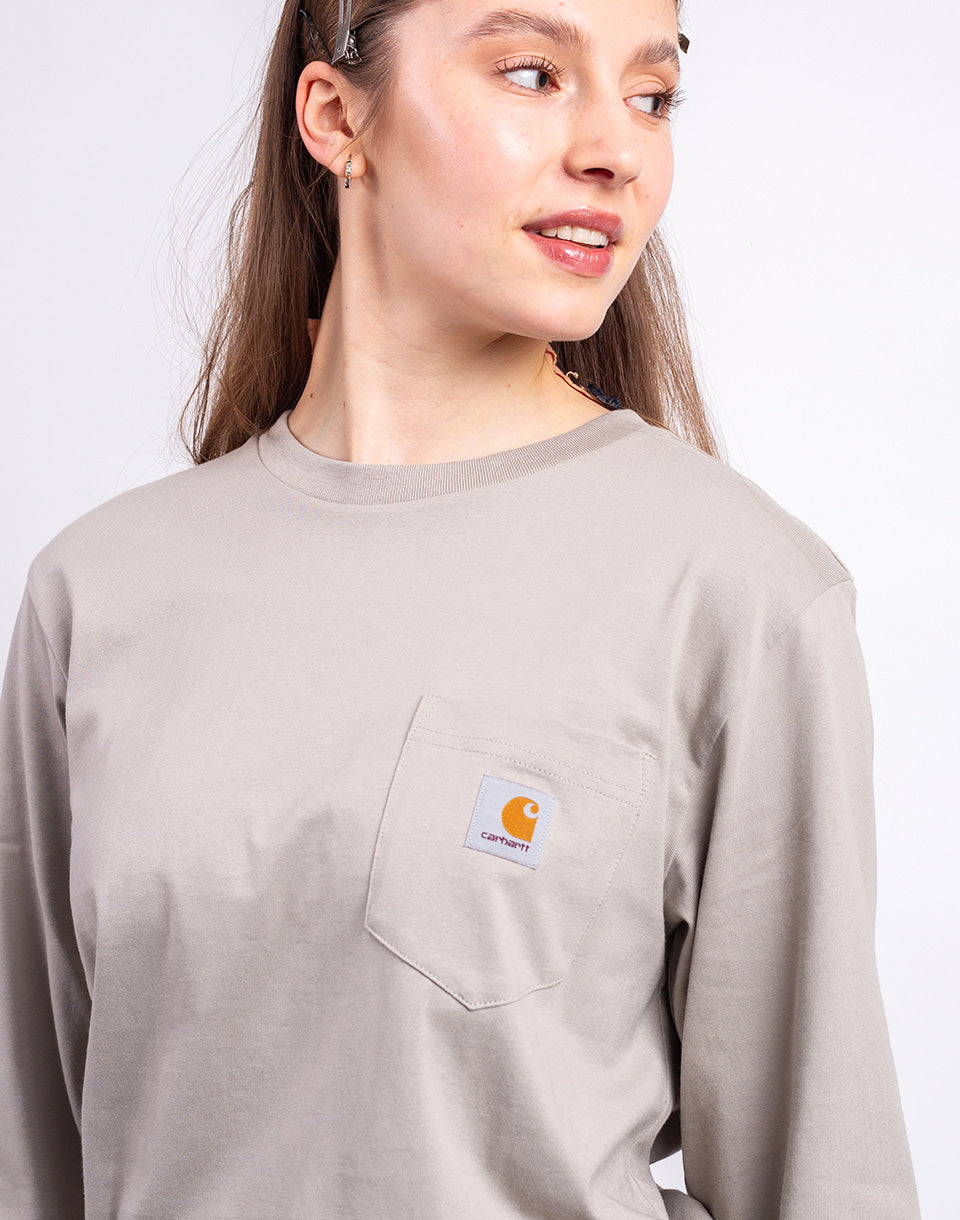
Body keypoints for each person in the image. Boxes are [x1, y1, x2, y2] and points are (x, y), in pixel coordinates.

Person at [0, 0, 922, 1217]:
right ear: (338, 118)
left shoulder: (742, 594)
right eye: (533, 73)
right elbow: (31, 1157)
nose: (617, 148)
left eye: (651, 96)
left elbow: (825, 1180)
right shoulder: (99, 593)